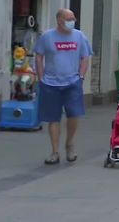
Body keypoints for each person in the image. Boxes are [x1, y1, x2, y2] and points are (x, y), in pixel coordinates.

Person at [34, 9, 92, 165]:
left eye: (73, 18)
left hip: (72, 82)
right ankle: (54, 151)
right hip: (51, 83)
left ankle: (69, 144)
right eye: (68, 18)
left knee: (74, 114)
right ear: (59, 20)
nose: (72, 21)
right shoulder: (47, 36)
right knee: (53, 118)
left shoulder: (79, 36)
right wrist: (41, 77)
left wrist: (81, 76)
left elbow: (85, 57)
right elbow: (39, 56)